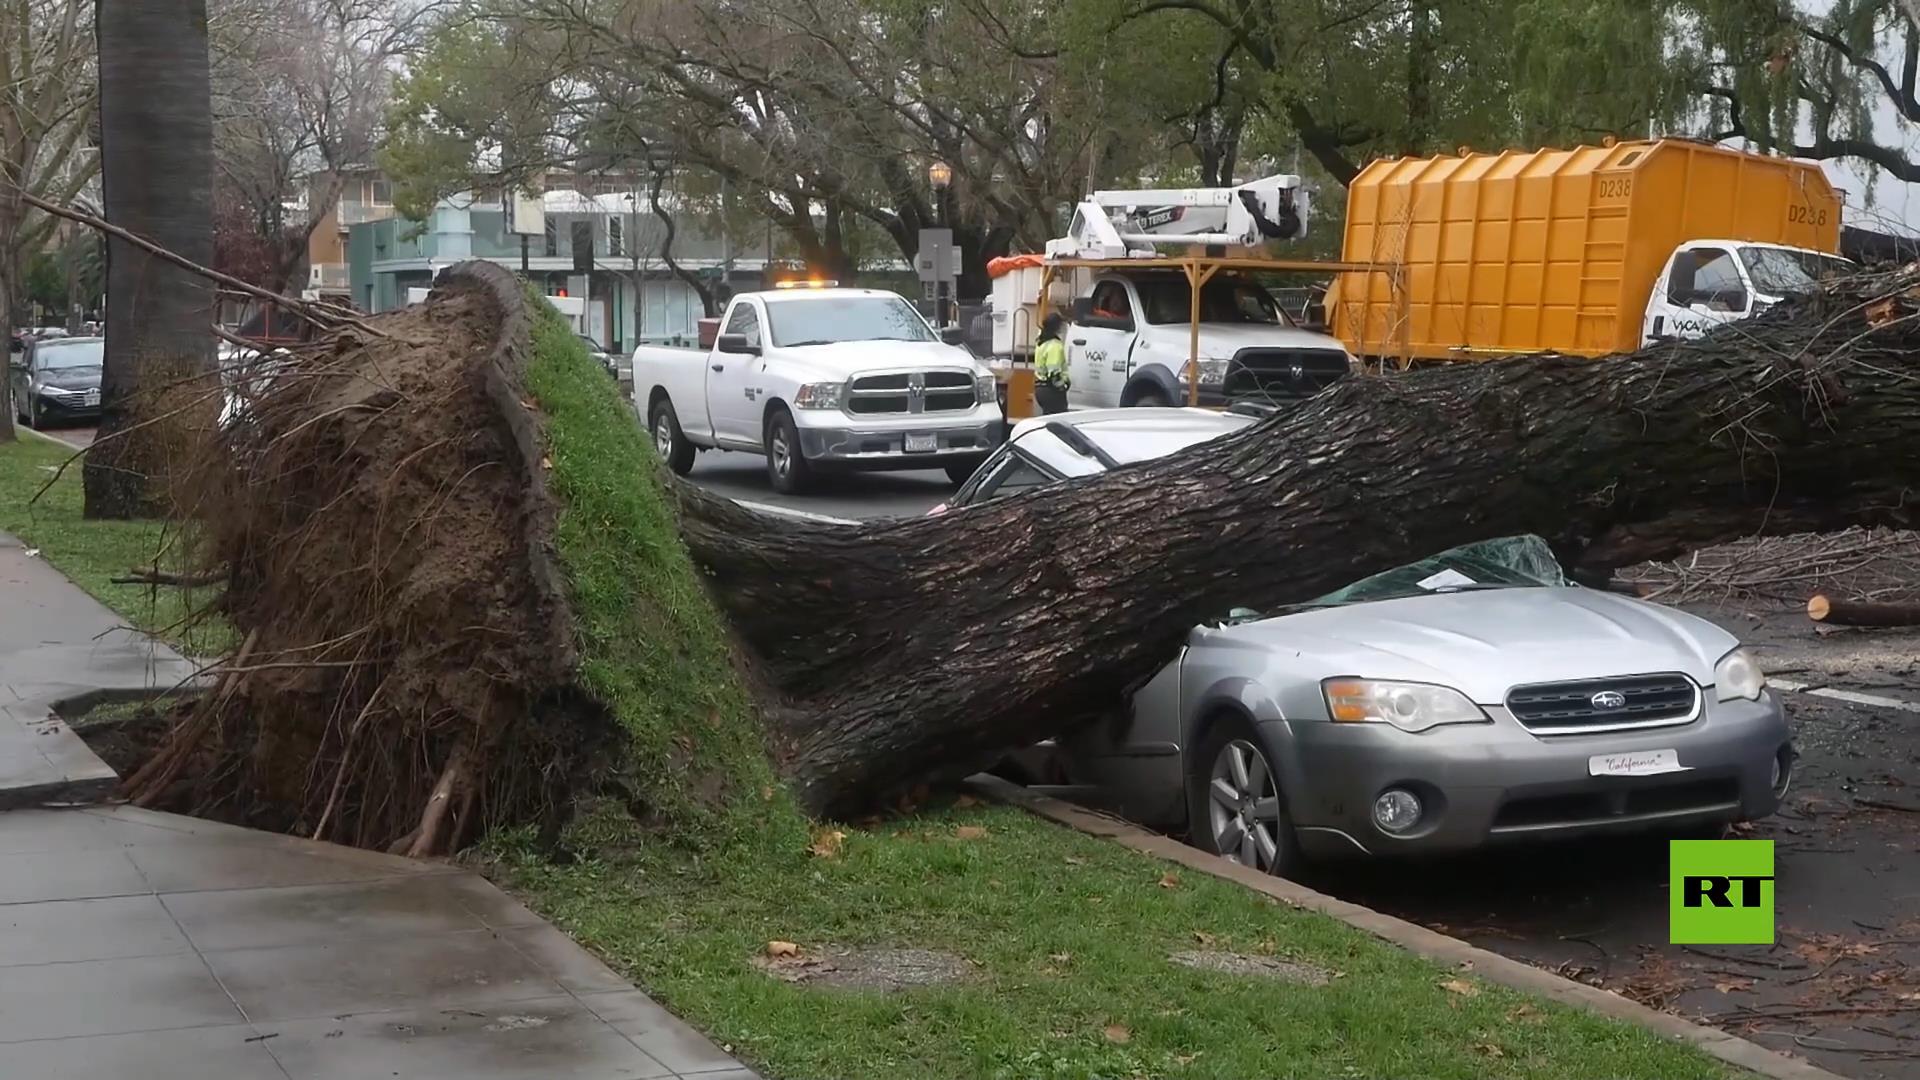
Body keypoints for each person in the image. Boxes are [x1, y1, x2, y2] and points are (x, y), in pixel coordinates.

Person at [1032, 312, 1069, 415]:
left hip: (1040, 389)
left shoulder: (1041, 343)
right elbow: (1054, 374)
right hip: (1052, 391)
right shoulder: (1055, 346)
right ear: (1057, 327)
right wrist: (1064, 385)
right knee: (1058, 422)